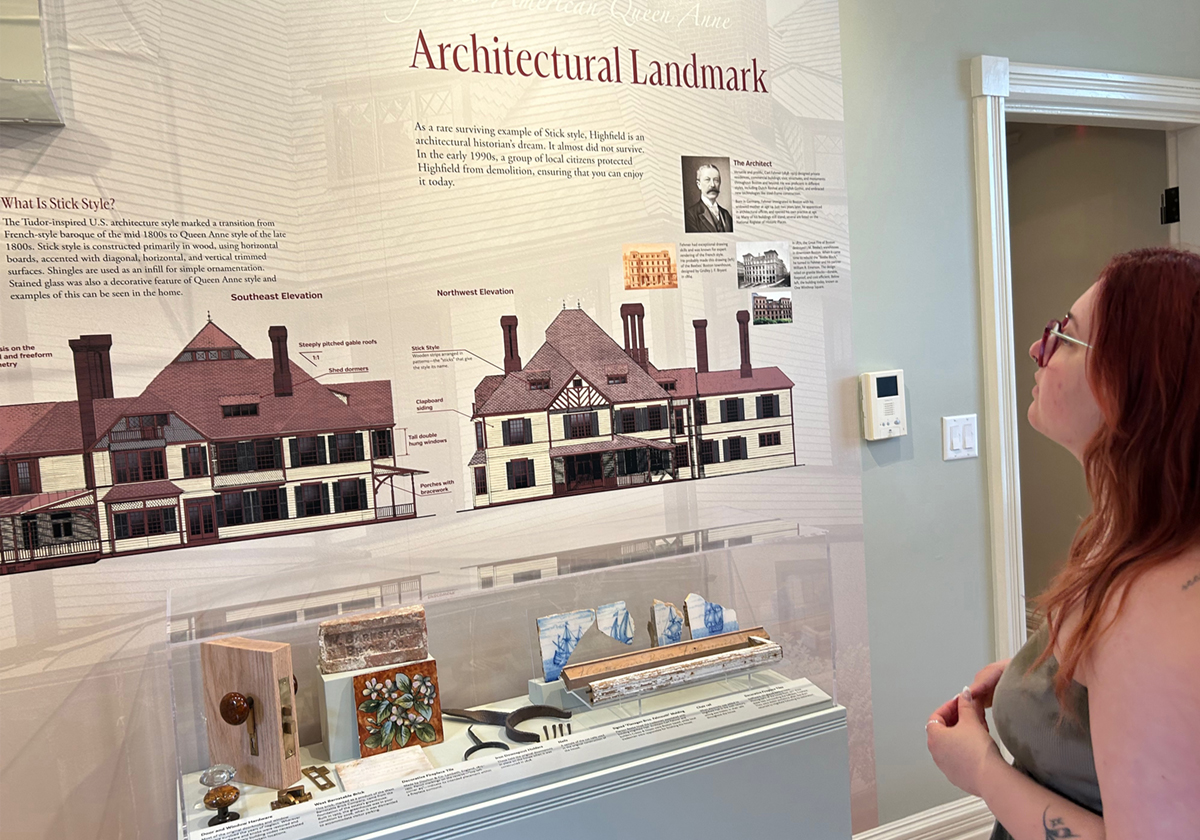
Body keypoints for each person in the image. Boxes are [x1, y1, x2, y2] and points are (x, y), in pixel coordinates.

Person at [925, 247, 1200, 840]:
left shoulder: (1155, 603)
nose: (1037, 349)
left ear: (1125, 381)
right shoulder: (1126, 535)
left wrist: (980, 770)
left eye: (1063, 335)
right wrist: (1038, 676)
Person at [684, 163, 733, 232]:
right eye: (707, 180)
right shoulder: (691, 215)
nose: (712, 185)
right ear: (699, 184)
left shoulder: (726, 214)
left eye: (716, 180)